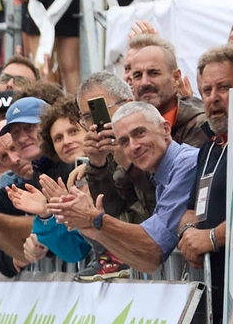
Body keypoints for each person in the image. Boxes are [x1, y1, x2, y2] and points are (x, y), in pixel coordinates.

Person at [48, 101, 199, 274]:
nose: (134, 146)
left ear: (165, 129)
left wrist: (96, 219)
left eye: (140, 133)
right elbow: (149, 262)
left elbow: (153, 241)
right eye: (124, 141)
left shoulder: (186, 163)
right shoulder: (159, 173)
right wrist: (98, 232)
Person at [177, 44, 233, 324]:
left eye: (224, 88)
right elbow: (191, 209)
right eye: (207, 91)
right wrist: (189, 233)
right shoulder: (209, 145)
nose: (214, 98)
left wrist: (213, 238)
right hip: (215, 303)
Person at [125, 33, 209, 149]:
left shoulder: (199, 124)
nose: (144, 82)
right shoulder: (127, 126)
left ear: (176, 77)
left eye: (154, 73)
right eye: (138, 75)